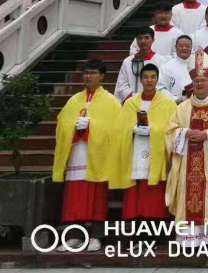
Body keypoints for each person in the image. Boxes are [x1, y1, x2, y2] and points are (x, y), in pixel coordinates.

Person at [164, 51, 208, 246]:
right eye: (196, 81)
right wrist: (184, 133)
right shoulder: (182, 107)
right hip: (187, 163)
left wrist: (207, 135)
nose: (200, 84)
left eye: (203, 80)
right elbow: (170, 131)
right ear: (192, 83)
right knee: (188, 194)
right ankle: (188, 241)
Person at [52, 59, 120, 252]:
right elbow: (62, 124)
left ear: (102, 76)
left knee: (97, 196)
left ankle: (96, 236)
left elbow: (116, 129)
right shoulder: (74, 100)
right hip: (77, 153)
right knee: (75, 196)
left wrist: (92, 126)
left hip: (98, 155)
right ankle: (74, 236)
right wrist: (74, 125)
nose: (88, 76)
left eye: (93, 73)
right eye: (86, 73)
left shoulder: (111, 102)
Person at [112, 63, 177, 220]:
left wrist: (153, 131)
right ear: (140, 80)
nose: (149, 81)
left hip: (156, 154)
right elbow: (119, 129)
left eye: (153, 77)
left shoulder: (168, 103)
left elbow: (173, 130)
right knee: (135, 189)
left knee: (154, 194)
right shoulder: (130, 103)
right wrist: (132, 129)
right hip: (135, 150)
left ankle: (154, 226)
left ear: (157, 79)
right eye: (146, 77)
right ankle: (135, 225)